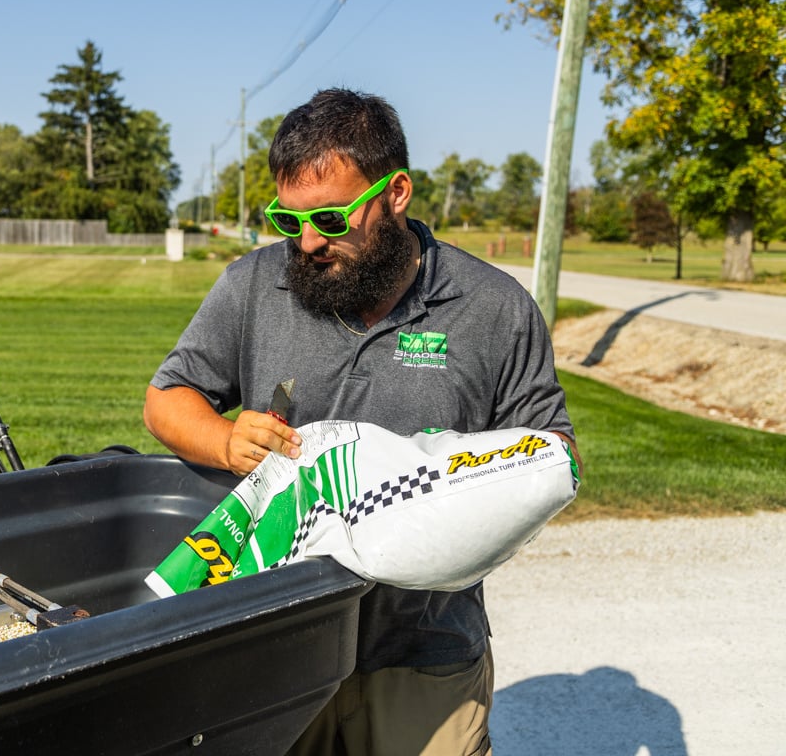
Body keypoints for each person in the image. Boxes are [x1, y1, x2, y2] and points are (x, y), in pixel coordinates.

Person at [143, 88, 576, 756]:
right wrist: (227, 440)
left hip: (426, 651)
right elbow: (166, 400)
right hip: (276, 648)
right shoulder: (256, 285)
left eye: (330, 218)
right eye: (289, 222)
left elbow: (551, 454)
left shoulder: (493, 308)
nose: (309, 242)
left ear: (395, 192)